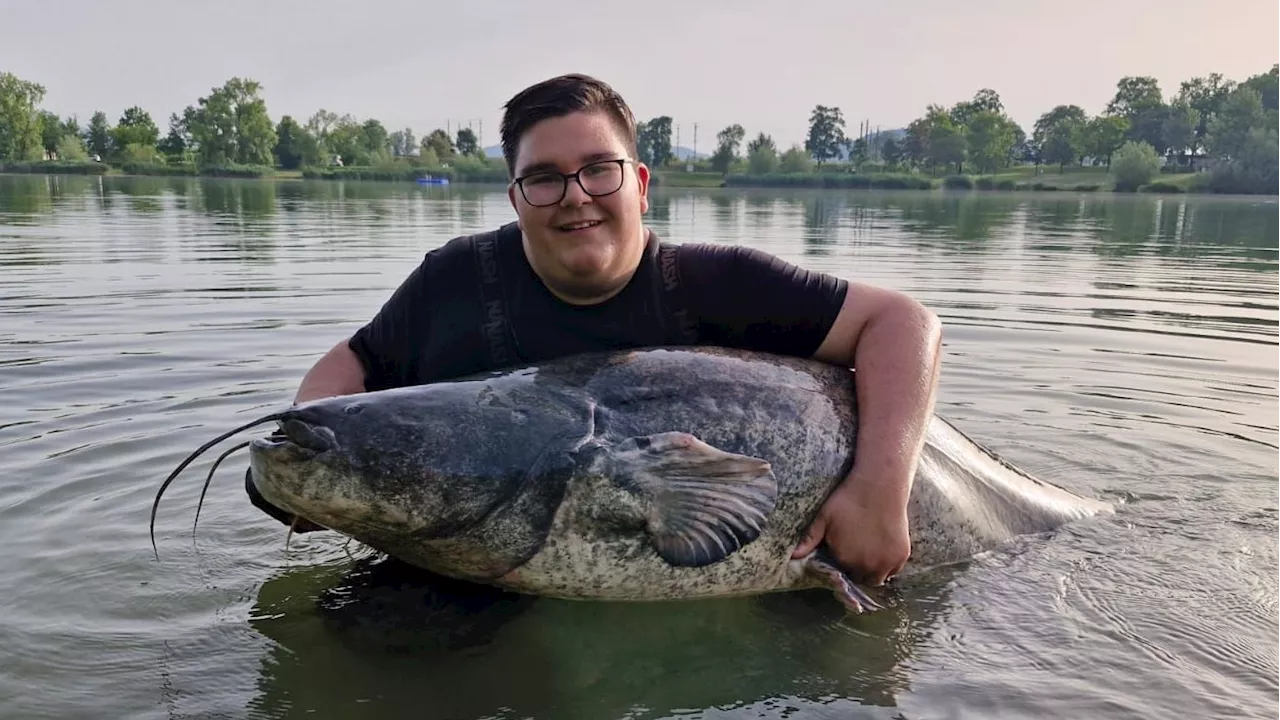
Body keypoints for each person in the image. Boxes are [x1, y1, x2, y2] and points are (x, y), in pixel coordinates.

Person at [248, 73, 942, 587]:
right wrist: (317, 459)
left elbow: (902, 322)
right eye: (544, 179)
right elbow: (355, 364)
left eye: (598, 172)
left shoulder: (718, 282)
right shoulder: (459, 281)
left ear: (639, 184)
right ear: (516, 198)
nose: (575, 196)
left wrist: (879, 492)